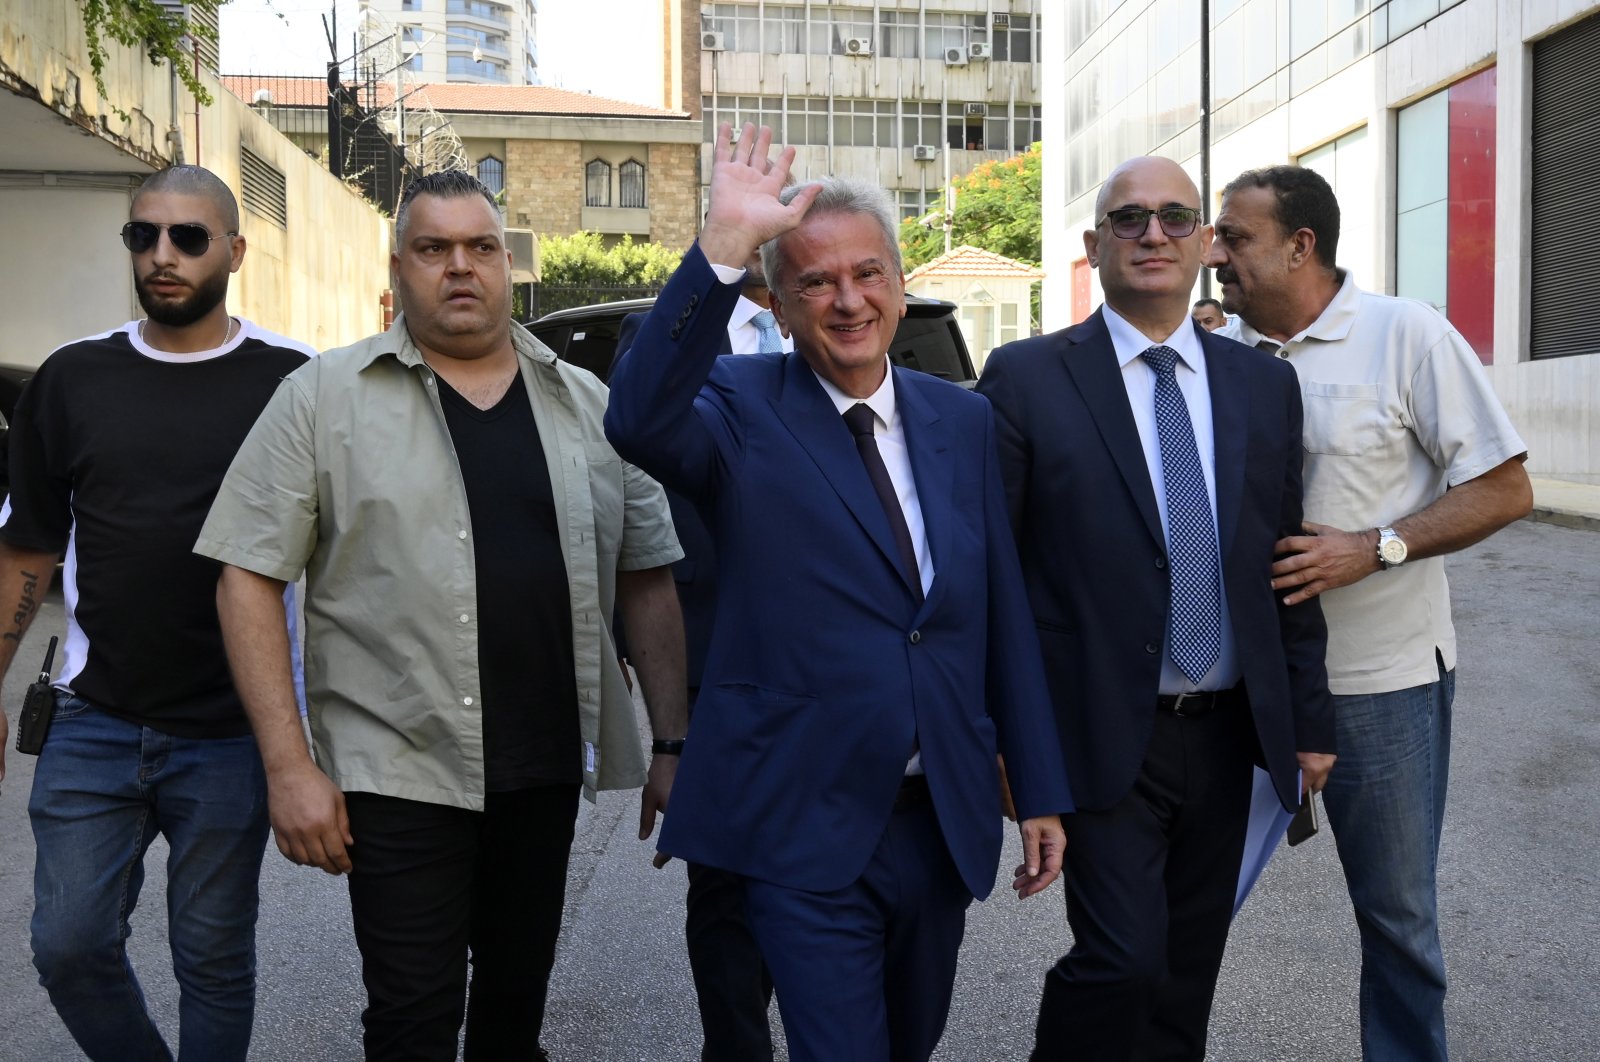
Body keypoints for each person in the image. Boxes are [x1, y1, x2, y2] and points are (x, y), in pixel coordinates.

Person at [195, 170, 689, 1062]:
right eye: (434, 249)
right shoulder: (322, 398)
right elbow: (246, 575)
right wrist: (289, 767)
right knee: (414, 1019)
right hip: (397, 772)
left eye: (481, 247)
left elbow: (646, 575)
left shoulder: (588, 406)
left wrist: (671, 744)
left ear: (508, 265)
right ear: (399, 267)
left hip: (541, 767)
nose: (460, 268)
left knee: (513, 1009)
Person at [604, 123, 1071, 1062]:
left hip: (937, 819)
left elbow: (998, 619)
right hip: (801, 820)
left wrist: (1039, 785)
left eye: (867, 274)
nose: (847, 300)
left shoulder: (963, 419)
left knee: (910, 1041)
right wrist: (720, 250)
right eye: (816, 281)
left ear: (900, 284)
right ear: (777, 305)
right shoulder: (739, 405)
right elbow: (638, 416)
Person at [976, 156, 1335, 1061]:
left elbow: (1284, 559)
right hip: (1096, 725)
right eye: (1128, 219)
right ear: (1095, 246)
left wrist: (1308, 716)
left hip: (1226, 732)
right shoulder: (1025, 378)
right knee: (1122, 959)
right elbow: (995, 578)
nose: (1153, 235)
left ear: (1206, 245)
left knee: (1185, 973)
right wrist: (1006, 741)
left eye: (1177, 218)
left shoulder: (1262, 385)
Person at [1206, 164, 1532, 1061]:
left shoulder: (1406, 334)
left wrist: (1376, 545)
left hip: (1379, 690)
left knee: (1396, 920)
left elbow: (1505, 488)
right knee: (1185, 909)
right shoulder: (1217, 356)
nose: (1214, 253)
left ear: (1300, 244)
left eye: (1233, 236)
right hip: (1240, 689)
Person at [0, 165, 312, 1061]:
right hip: (93, 719)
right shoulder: (71, 377)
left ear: (235, 252)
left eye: (187, 237)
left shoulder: (293, 381)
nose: (162, 256)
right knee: (66, 945)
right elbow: (27, 549)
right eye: (144, 237)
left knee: (212, 957)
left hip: (233, 730)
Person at [610, 249, 788, 1062]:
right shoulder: (666, 339)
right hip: (715, 671)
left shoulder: (860, 330)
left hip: (853, 680)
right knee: (727, 898)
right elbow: (641, 444)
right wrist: (668, 730)